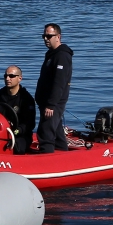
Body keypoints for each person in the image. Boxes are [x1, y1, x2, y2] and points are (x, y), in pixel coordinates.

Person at [35, 23, 73, 153]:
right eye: (44, 36)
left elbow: (59, 82)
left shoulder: (62, 56)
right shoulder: (51, 54)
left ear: (58, 36)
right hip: (46, 101)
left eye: (49, 36)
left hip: (53, 103)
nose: (46, 39)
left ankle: (46, 160)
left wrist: (51, 104)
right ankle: (63, 155)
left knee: (46, 132)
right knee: (56, 131)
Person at [0, 66, 36, 154]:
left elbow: (29, 123)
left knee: (17, 148)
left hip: (19, 134)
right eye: (5, 76)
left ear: (20, 78)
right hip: (0, 131)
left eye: (11, 76)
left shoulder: (26, 98)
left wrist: (16, 131)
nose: (7, 78)